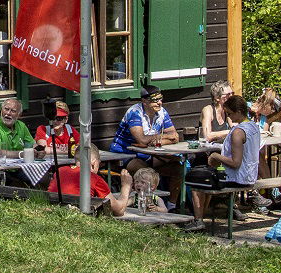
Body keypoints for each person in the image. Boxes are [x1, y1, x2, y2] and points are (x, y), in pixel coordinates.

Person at [183, 93, 262, 232]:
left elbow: (235, 162)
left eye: (230, 114)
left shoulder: (238, 132)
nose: (229, 117)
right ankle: (201, 217)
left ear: (238, 112)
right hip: (250, 175)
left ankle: (198, 221)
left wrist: (216, 156)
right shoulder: (254, 127)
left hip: (237, 177)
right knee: (205, 176)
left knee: (194, 178)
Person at [110, 86, 183, 202]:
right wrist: (160, 137)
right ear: (144, 101)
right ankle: (146, 204)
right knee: (145, 172)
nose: (159, 102)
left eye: (161, 99)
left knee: (178, 167)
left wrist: (156, 141)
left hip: (147, 153)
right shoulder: (134, 112)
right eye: (155, 100)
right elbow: (142, 140)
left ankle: (171, 206)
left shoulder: (162, 112)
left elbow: (175, 137)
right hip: (125, 154)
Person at [47, 142, 133, 215]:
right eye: (99, 163)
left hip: (56, 213)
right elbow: (118, 210)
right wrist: (126, 186)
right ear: (94, 163)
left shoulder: (59, 171)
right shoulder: (94, 178)